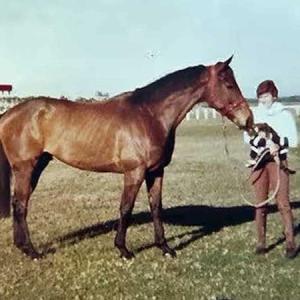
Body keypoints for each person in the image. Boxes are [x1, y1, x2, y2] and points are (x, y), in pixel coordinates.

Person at [244, 80, 298, 258]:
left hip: (278, 162)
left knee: (283, 203)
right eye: (260, 97)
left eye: (266, 96)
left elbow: (294, 139)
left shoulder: (284, 114)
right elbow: (247, 137)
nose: (263, 100)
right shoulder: (254, 114)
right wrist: (262, 142)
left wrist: (277, 144)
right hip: (259, 163)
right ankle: (261, 242)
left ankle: (290, 243)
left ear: (274, 95)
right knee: (260, 204)